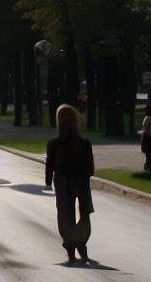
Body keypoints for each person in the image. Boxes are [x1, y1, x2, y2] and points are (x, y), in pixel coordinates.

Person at [45, 103, 94, 264]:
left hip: (62, 179)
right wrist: (84, 175)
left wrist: (47, 181)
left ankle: (71, 246)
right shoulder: (84, 143)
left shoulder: (54, 143)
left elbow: (50, 163)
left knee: (65, 214)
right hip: (81, 179)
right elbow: (90, 167)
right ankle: (81, 242)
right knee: (84, 212)